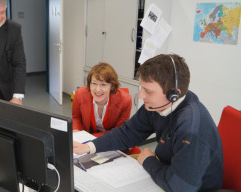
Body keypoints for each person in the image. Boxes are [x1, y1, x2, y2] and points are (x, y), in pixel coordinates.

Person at [73, 54, 223, 192]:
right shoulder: (156, 105)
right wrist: (89, 147)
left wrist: (149, 161)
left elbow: (179, 186)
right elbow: (129, 132)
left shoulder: (190, 128)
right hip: (166, 171)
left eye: (148, 91)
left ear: (173, 94)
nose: (140, 96)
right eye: (141, 88)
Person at [72, 62, 132, 137]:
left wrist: (92, 139)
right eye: (94, 83)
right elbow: (76, 118)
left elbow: (119, 130)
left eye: (103, 84)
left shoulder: (125, 100)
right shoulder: (79, 94)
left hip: (111, 139)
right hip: (86, 136)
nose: (97, 89)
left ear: (112, 86)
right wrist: (78, 133)